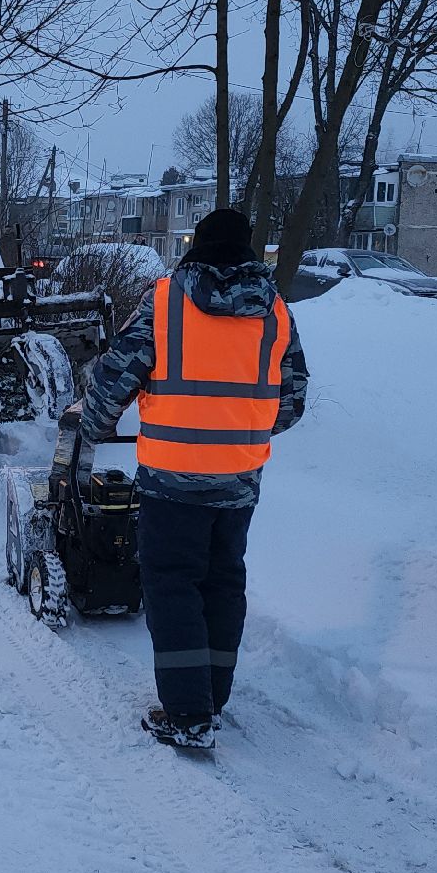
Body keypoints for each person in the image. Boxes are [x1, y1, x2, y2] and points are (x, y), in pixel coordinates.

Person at [77, 209, 308, 749]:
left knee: (172, 584)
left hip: (171, 481)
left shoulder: (164, 301)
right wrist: (242, 427)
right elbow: (293, 398)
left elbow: (116, 376)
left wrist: (93, 426)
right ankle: (212, 698)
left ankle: (187, 715)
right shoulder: (275, 310)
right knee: (223, 582)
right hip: (238, 482)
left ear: (194, 247)